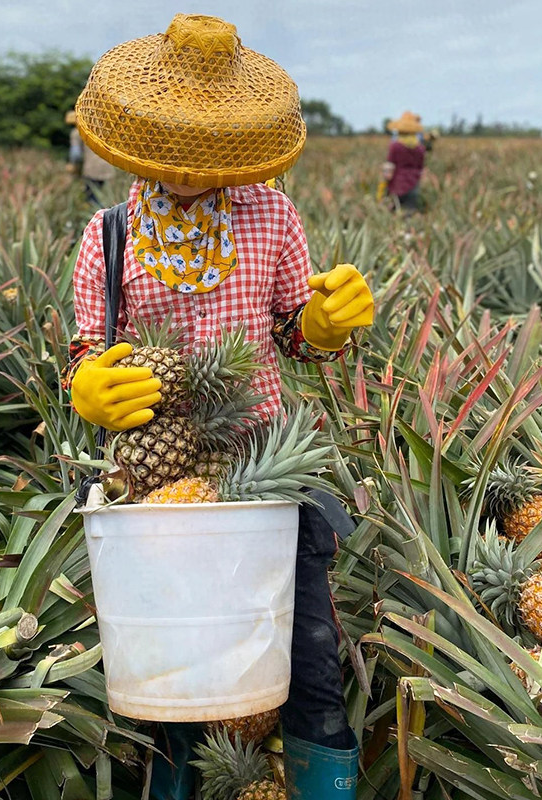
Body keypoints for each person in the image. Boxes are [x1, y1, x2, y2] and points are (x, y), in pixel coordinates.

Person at [65, 14, 374, 799]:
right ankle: (174, 783)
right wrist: (87, 390)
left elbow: (294, 336)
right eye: (170, 151)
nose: (186, 170)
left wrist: (322, 325)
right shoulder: (109, 235)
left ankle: (321, 780)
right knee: (171, 653)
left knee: (303, 646)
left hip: (265, 468)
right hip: (157, 482)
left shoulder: (273, 217)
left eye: (205, 155)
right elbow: (87, 351)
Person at [65, 109, 116, 204]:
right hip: (106, 167)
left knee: (92, 198)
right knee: (100, 194)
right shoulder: (96, 129)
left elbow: (76, 154)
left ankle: (95, 216)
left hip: (92, 169)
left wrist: (73, 166)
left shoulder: (76, 133)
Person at [381, 110, 426, 211]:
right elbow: (421, 168)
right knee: (410, 212)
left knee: (394, 212)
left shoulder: (395, 146)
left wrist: (384, 183)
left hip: (397, 184)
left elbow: (389, 167)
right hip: (414, 184)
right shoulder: (420, 148)